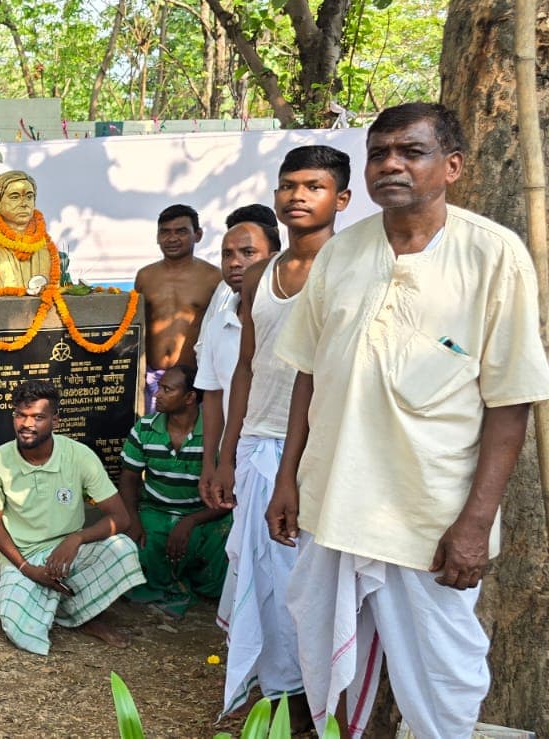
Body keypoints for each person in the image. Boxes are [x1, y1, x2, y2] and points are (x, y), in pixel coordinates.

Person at [269, 104, 549, 738]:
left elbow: (510, 405)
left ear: (450, 166)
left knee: (443, 678)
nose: (391, 163)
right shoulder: (341, 255)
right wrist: (288, 479)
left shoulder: (493, 256)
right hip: (332, 505)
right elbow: (307, 373)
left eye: (411, 151)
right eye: (379, 153)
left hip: (430, 519)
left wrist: (475, 525)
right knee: (325, 661)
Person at [206, 145, 352, 720]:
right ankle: (282, 693)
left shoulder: (350, 265)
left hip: (322, 448)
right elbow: (246, 365)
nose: (298, 196)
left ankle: (327, 702)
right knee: (261, 580)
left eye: (313, 186)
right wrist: (224, 454)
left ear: (339, 198)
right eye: (288, 185)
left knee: (311, 583)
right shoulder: (261, 274)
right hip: (257, 441)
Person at [0, 379, 144, 655]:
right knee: (17, 628)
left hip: (69, 553)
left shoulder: (79, 456)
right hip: (23, 557)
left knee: (123, 548)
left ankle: (75, 615)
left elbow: (120, 518)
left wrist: (77, 538)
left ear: (55, 420)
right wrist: (25, 568)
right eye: (20, 415)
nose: (27, 424)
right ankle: (62, 607)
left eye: (38, 417)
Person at [119, 365, 228, 619]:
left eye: (167, 389)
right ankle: (171, 584)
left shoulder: (216, 434)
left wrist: (189, 521)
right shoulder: (144, 428)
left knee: (228, 540)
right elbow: (128, 479)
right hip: (155, 510)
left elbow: (228, 495)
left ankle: (198, 586)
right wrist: (133, 521)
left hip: (203, 514)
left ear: (190, 397)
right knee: (135, 548)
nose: (157, 394)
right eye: (159, 387)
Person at [191, 214, 279, 485]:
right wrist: (212, 463)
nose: (235, 263)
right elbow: (214, 398)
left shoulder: (292, 317)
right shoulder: (219, 324)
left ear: (274, 257)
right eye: (226, 255)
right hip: (236, 459)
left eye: (248, 252)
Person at [133, 206, 221, 412]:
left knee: (194, 442)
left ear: (197, 235)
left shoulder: (213, 277)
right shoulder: (145, 276)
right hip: (152, 379)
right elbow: (135, 327)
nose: (172, 238)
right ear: (157, 237)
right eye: (165, 232)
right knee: (152, 439)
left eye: (181, 231)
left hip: (193, 381)